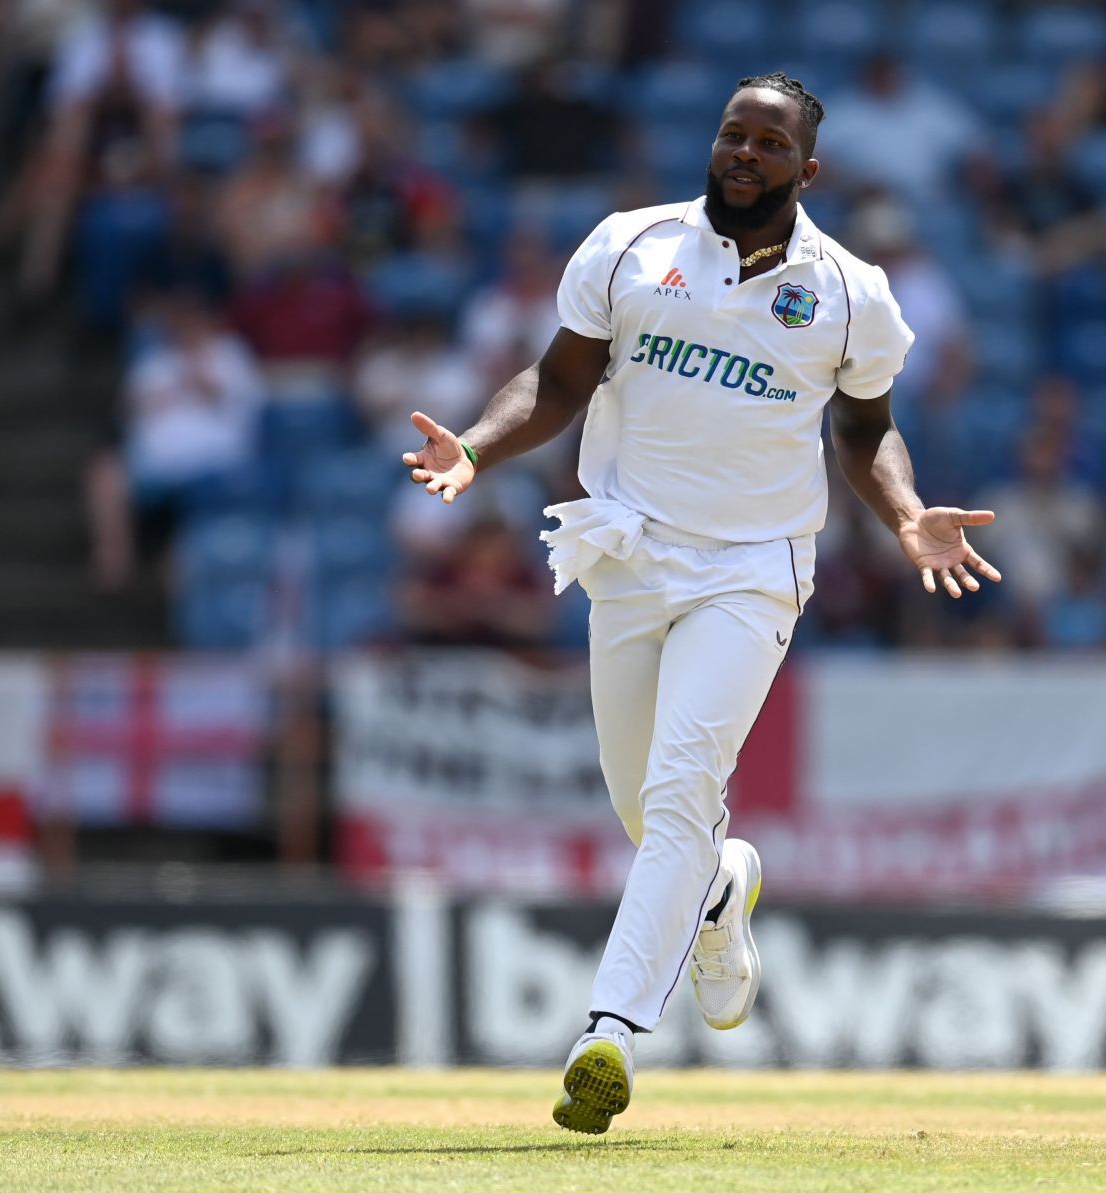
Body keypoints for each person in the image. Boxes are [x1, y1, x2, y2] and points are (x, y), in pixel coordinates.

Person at [400, 72, 1000, 1133]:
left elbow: (864, 432)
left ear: (806, 170)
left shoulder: (852, 290)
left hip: (753, 567)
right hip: (625, 548)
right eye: (733, 134)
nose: (744, 154)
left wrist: (903, 512)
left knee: (679, 789)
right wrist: (477, 448)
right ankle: (720, 891)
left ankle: (608, 1033)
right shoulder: (633, 244)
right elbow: (560, 377)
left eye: (769, 143)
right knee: (650, 814)